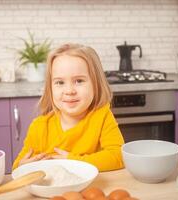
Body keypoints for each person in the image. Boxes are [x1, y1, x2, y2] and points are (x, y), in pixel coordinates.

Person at [12, 43, 124, 172]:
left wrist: (74, 161)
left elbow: (118, 156)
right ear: (50, 88)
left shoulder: (102, 117)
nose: (69, 90)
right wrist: (22, 166)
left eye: (79, 81)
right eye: (60, 82)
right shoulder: (39, 127)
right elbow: (17, 167)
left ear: (96, 84)